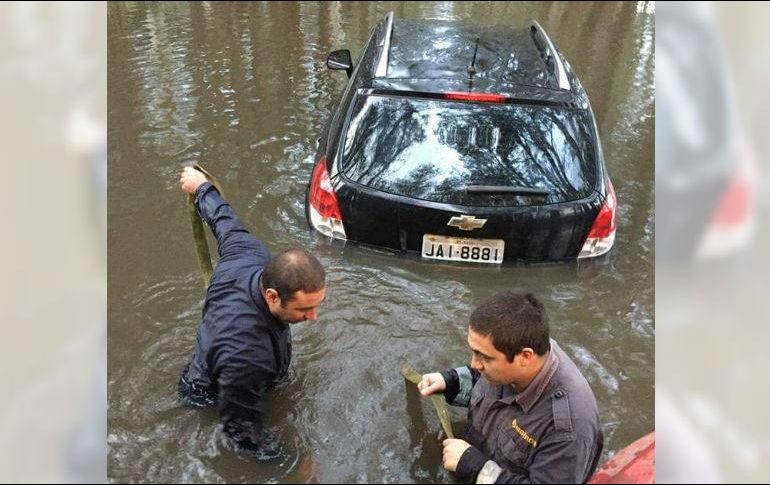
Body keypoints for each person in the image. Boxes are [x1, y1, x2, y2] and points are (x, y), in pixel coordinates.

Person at [177, 166, 326, 460]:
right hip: (210, 392)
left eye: (316, 305)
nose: (313, 317)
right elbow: (242, 432)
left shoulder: (247, 253)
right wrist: (293, 464)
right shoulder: (245, 353)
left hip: (227, 357)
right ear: (272, 295)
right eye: (305, 309)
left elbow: (225, 221)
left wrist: (202, 188)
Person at [418, 291, 603, 483]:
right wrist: (450, 382)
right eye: (474, 352)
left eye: (484, 357)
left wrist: (474, 467)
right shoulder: (520, 347)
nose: (474, 364)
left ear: (525, 357)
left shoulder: (568, 429)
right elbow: (481, 380)